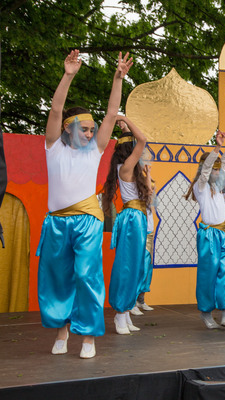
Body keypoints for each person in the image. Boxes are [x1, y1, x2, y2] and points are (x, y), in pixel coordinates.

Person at [37, 49, 133, 358]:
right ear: (68, 128)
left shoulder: (94, 151)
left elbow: (111, 113)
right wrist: (68, 76)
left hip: (87, 221)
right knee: (57, 277)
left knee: (86, 275)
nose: (90, 133)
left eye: (92, 130)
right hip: (56, 221)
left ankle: (88, 337)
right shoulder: (54, 147)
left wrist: (118, 78)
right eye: (84, 129)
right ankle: (62, 331)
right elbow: (54, 110)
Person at [102, 115, 151, 335]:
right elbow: (143, 140)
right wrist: (126, 120)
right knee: (127, 266)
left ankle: (126, 312)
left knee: (137, 266)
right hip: (132, 218)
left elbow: (147, 195)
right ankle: (120, 314)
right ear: (129, 150)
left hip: (137, 217)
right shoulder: (126, 166)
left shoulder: (131, 169)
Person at [184, 131, 225, 329]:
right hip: (208, 235)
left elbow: (222, 167)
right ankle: (206, 313)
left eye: (217, 170)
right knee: (208, 273)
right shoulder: (200, 187)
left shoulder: (219, 187)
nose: (216, 172)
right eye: (213, 169)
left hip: (223, 234)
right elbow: (206, 171)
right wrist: (218, 147)